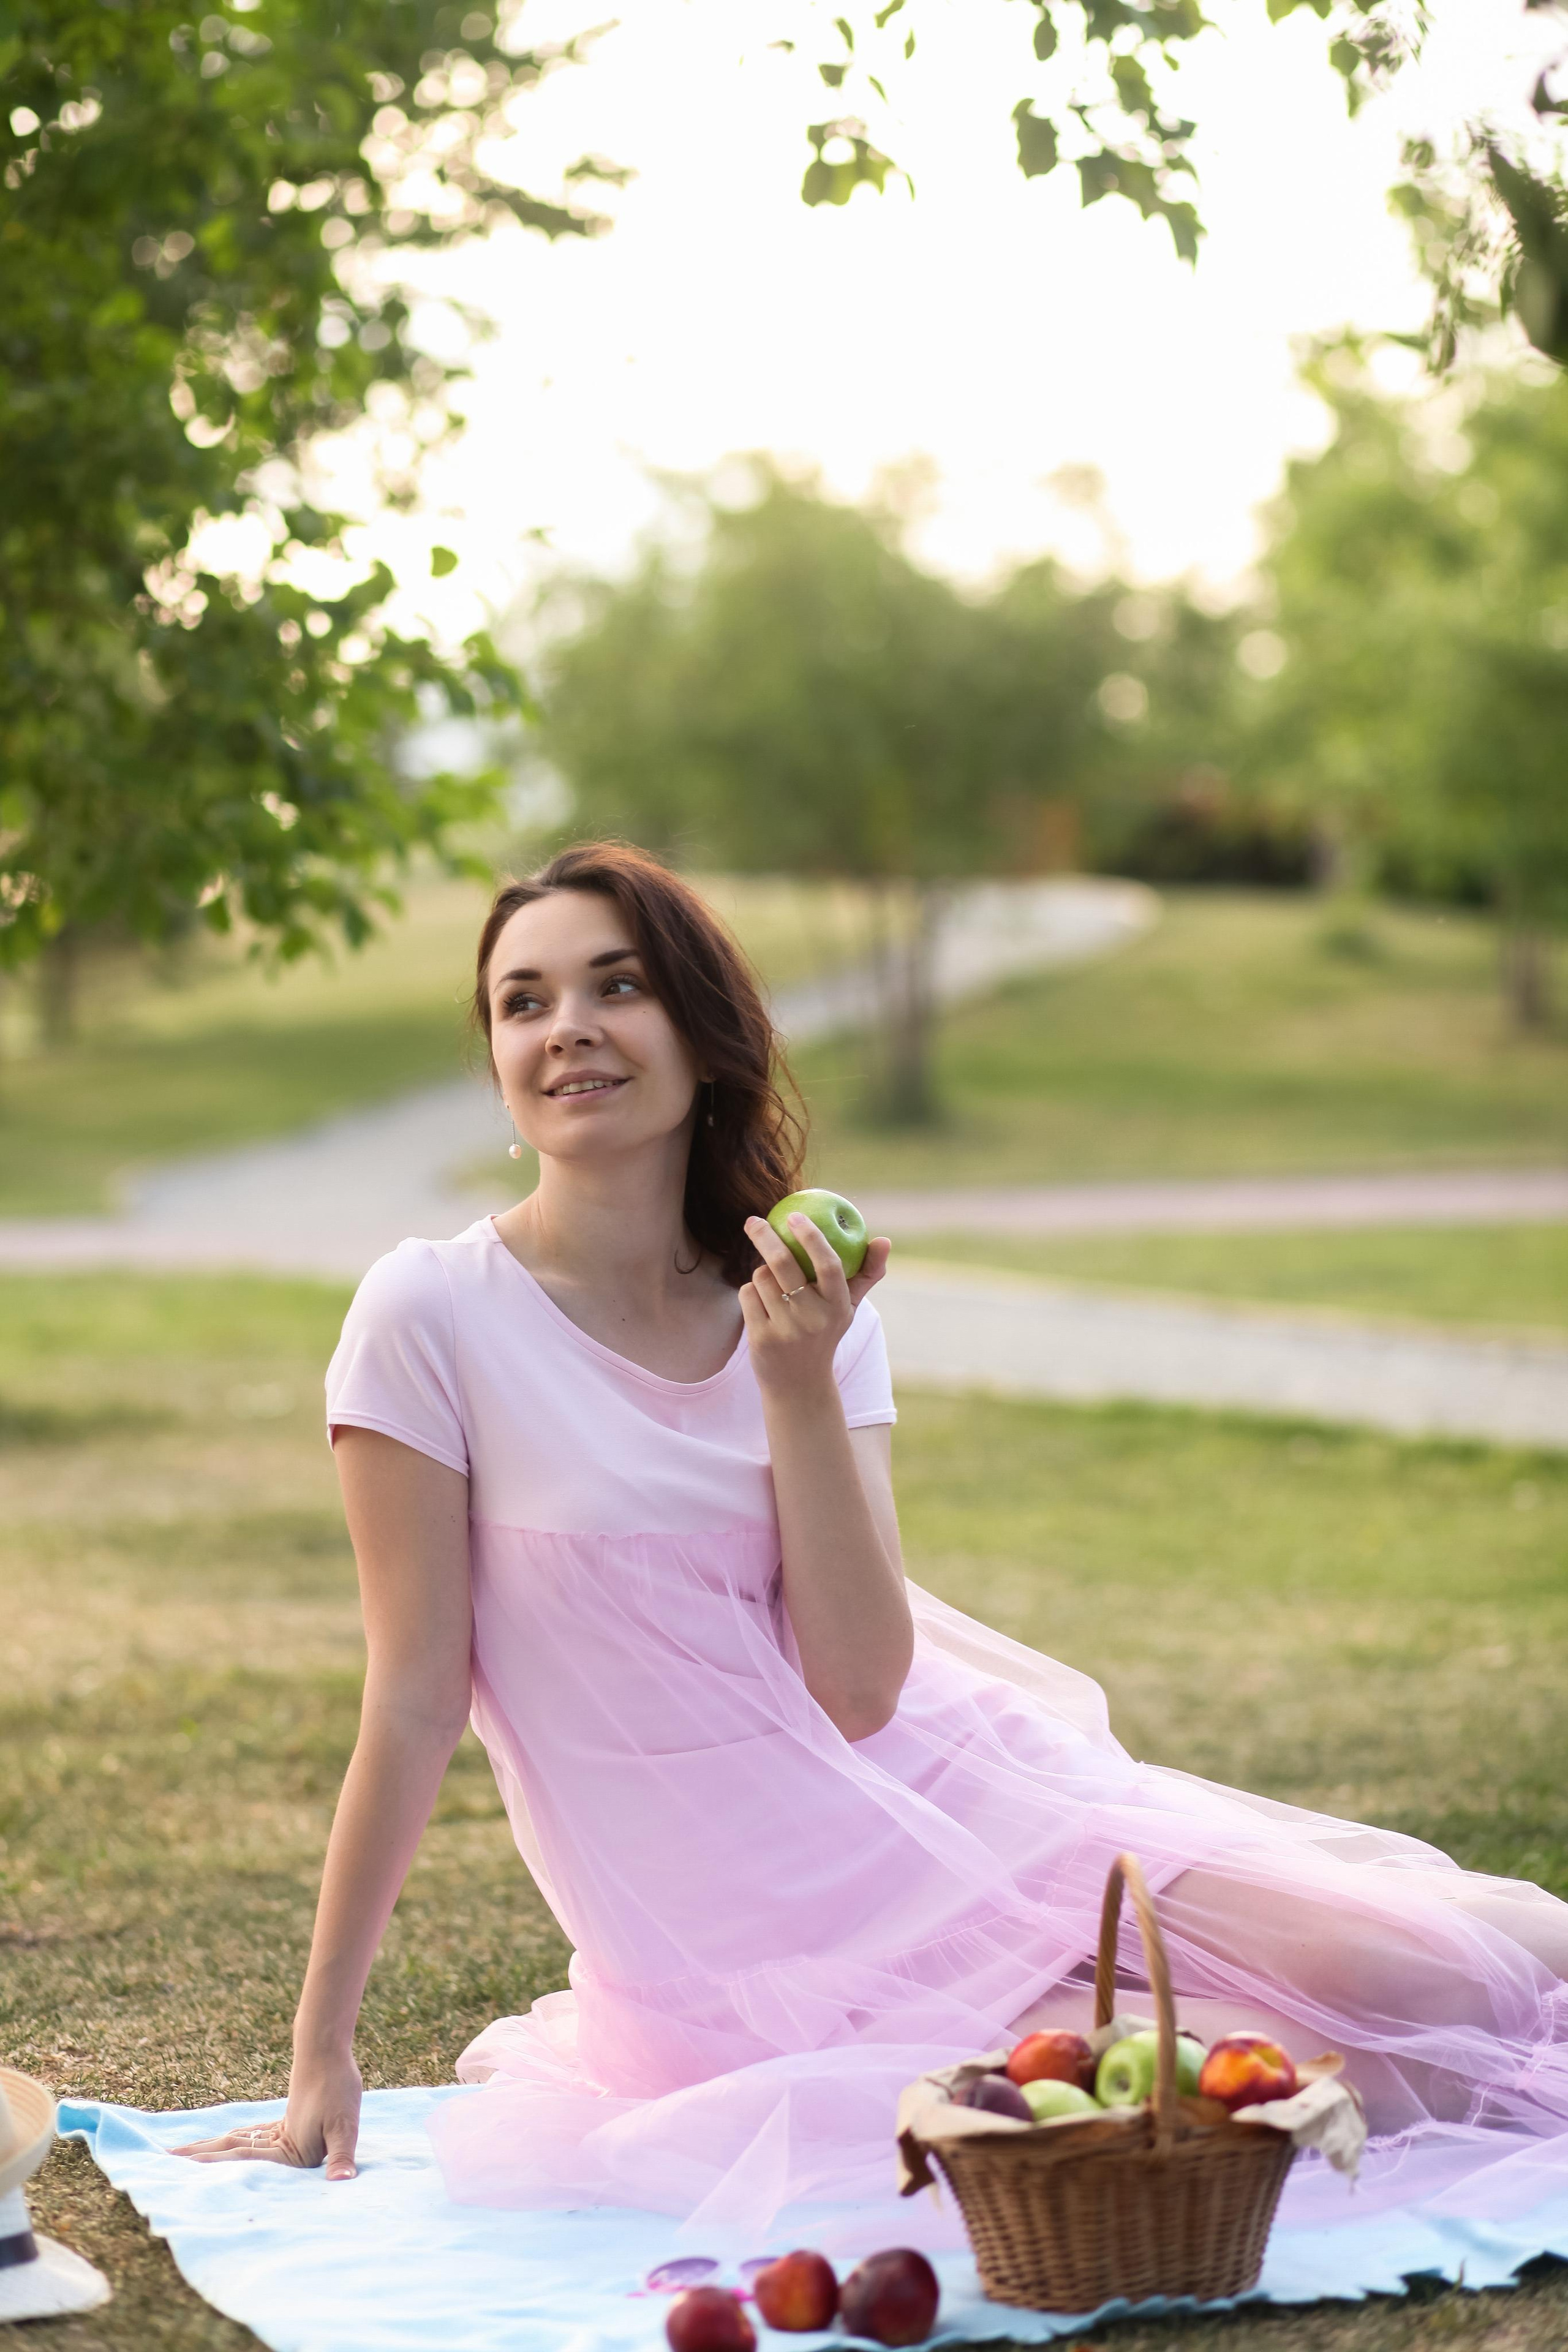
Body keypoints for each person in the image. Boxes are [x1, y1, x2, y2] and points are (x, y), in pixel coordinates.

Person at [179, 842, 1568, 2247]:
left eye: (618, 987)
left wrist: (793, 1381)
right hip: (742, 1953)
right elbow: (413, 1699)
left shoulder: (806, 1304)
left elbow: (857, 1681)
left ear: (702, 1035)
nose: (568, 1028)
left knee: (1449, 1974)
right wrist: (320, 2052)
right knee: (1360, 2087)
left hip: (960, 1823)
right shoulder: (428, 1314)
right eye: (522, 1002)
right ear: (494, 1053)